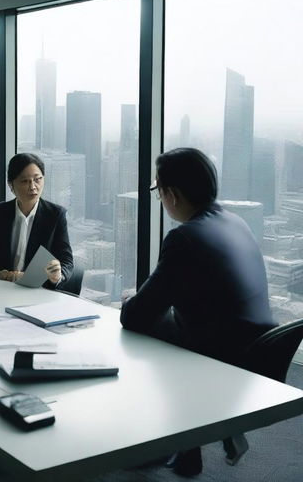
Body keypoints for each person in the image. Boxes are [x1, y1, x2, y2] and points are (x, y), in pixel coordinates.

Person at [120, 147, 275, 476]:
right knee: (164, 320)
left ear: (172, 194)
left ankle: (162, 440)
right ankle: (191, 442)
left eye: (158, 191)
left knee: (138, 330)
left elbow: (135, 315)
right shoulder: (234, 221)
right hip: (261, 350)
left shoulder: (185, 238)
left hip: (223, 359)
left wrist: (132, 299)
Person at [0, 152, 74, 290]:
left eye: (37, 179)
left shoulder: (55, 215)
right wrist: (2, 275)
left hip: (39, 291)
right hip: (1, 289)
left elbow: (67, 262)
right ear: (11, 185)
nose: (33, 187)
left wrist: (58, 275)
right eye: (25, 181)